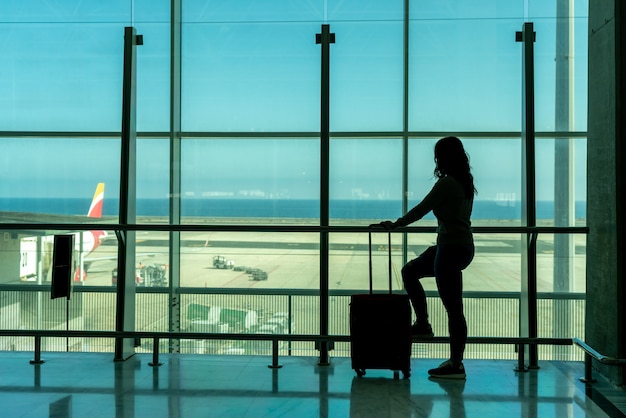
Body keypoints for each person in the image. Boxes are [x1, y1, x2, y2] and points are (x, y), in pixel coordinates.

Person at [379, 136, 476, 379]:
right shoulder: (466, 182)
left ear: (442, 158)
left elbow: (422, 209)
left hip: (450, 249)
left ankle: (455, 363)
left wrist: (397, 224)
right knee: (410, 271)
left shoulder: (446, 184)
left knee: (454, 308)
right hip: (461, 246)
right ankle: (423, 325)